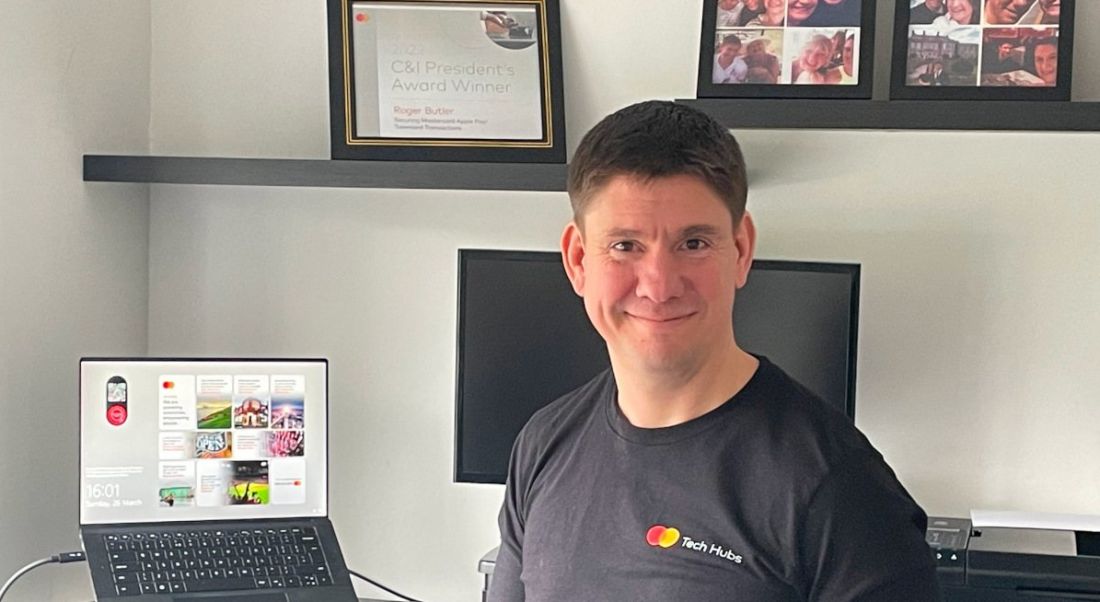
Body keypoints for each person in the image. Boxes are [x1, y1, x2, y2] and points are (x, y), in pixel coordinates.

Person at [487, 100, 941, 601]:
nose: (659, 286)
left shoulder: (838, 488)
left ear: (742, 249)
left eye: (694, 243)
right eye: (625, 246)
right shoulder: (542, 446)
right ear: (577, 259)